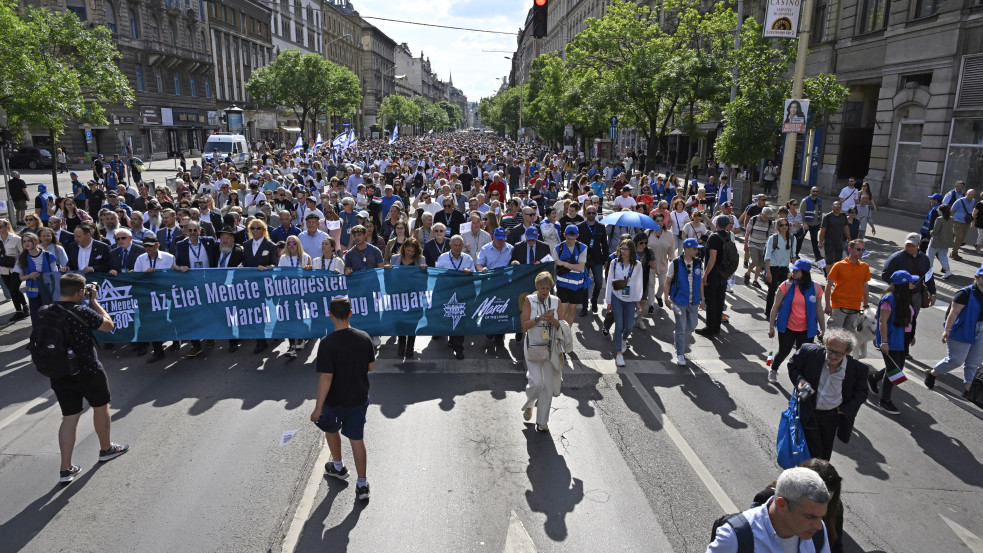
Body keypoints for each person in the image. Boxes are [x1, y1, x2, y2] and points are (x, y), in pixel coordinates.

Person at [42, 274, 128, 483]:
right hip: (88, 369)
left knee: (69, 417)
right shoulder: (81, 310)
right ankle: (106, 449)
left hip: (60, 372)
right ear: (81, 292)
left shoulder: (46, 312)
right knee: (101, 406)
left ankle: (66, 469)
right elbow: (109, 325)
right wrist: (95, 302)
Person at [312, 296, 373, 502]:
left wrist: (318, 408)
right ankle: (362, 484)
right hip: (358, 398)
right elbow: (370, 366)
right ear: (350, 313)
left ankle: (338, 466)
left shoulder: (327, 343)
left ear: (330, 315)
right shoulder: (364, 337)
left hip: (334, 400)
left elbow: (326, 377)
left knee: (331, 429)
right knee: (356, 438)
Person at [787, 328, 870, 461]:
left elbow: (862, 392)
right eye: (830, 350)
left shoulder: (857, 369)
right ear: (824, 345)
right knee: (812, 453)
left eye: (838, 354)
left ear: (848, 352)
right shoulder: (809, 353)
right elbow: (793, 366)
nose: (832, 356)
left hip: (831, 417)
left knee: (824, 454)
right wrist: (800, 380)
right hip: (807, 411)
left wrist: (846, 409)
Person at [707, 467, 831, 553]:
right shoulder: (733, 537)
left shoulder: (817, 533)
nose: (819, 526)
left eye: (821, 517)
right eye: (810, 517)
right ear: (782, 504)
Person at [751, 459, 845, 553]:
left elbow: (836, 546)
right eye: (810, 516)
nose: (819, 526)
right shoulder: (744, 534)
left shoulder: (833, 511)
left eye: (826, 500)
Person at [925, 267, 983, 399]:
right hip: (963, 328)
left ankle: (968, 390)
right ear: (977, 277)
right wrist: (947, 330)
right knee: (956, 360)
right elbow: (954, 312)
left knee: (974, 362)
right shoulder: (965, 293)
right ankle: (933, 373)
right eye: (982, 276)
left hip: (982, 329)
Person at [869, 270, 918, 415]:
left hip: (902, 338)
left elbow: (909, 319)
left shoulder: (904, 297)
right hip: (891, 339)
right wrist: (884, 342)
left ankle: (873, 378)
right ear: (903, 284)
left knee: (897, 367)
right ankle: (884, 401)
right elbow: (882, 321)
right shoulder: (888, 300)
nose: (913, 285)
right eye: (910, 282)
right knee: (894, 371)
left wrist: (911, 335)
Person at [769, 259, 826, 384]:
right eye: (793, 269)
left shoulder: (816, 287)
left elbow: (819, 309)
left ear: (805, 272)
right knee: (784, 351)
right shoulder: (786, 285)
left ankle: (800, 379)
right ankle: (773, 369)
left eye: (797, 270)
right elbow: (775, 306)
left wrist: (823, 329)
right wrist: (771, 326)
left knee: (803, 356)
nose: (793, 272)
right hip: (787, 326)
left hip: (807, 329)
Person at [520, 272, 564, 432]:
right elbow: (524, 325)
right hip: (533, 346)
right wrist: (538, 319)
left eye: (548, 287)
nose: (545, 291)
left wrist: (553, 320)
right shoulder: (529, 300)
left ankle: (542, 421)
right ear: (536, 287)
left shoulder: (556, 301)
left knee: (548, 386)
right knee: (536, 382)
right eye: (542, 288)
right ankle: (530, 404)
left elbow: (563, 326)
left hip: (551, 347)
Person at [881, 233, 936, 357]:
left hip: (916, 295)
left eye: (912, 245)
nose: (909, 248)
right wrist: (901, 285)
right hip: (899, 295)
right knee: (896, 320)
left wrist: (933, 292)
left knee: (910, 323)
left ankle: (904, 348)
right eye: (907, 245)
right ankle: (886, 342)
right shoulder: (896, 257)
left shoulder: (924, 259)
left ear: (919, 244)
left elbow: (928, 277)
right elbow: (885, 274)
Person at [665, 238, 704, 366]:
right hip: (679, 301)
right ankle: (680, 354)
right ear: (686, 249)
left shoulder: (698, 263)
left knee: (692, 326)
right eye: (694, 248)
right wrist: (667, 298)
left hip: (694, 302)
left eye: (697, 249)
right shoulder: (675, 263)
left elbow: (701, 283)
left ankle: (678, 335)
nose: (696, 251)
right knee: (681, 328)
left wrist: (702, 299)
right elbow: (668, 281)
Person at [242, 219, 279, 354]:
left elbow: (275, 264)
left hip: (265, 284)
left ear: (263, 230)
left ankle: (272, 334)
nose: (255, 231)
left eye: (258, 228)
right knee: (255, 313)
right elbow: (245, 262)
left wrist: (268, 267)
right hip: (250, 284)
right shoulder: (246, 244)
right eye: (253, 228)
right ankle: (260, 341)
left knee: (269, 311)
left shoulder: (270, 245)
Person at [436, 235, 476, 360]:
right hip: (447, 293)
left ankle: (459, 348)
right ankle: (451, 339)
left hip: (462, 293)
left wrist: (469, 272)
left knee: (460, 318)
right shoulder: (443, 258)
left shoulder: (468, 258)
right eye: (455, 245)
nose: (458, 248)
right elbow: (437, 274)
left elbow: (474, 273)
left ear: (463, 245)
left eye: (460, 245)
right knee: (449, 317)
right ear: (450, 245)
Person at [606, 238, 644, 368]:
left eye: (626, 249)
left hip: (631, 298)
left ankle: (623, 340)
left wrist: (638, 301)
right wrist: (608, 301)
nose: (623, 251)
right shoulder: (614, 263)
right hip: (617, 296)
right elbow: (610, 282)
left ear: (631, 250)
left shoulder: (637, 265)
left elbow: (639, 284)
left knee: (629, 326)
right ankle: (619, 353)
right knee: (619, 325)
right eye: (621, 248)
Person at [477, 227, 515, 350]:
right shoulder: (485, 248)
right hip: (489, 282)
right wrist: (482, 269)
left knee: (503, 309)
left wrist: (515, 263)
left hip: (505, 283)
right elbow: (478, 264)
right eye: (498, 239)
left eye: (503, 239)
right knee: (489, 308)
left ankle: (500, 336)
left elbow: (515, 261)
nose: (501, 242)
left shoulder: (510, 248)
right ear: (493, 237)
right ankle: (489, 330)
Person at [823, 239, 870, 332]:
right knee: (833, 336)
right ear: (850, 249)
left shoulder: (865, 267)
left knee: (848, 340)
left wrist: (865, 306)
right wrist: (827, 305)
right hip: (839, 307)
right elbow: (828, 287)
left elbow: (865, 288)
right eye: (858, 249)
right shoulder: (839, 265)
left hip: (855, 308)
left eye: (863, 250)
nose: (861, 252)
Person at [554, 225, 588, 328]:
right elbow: (554, 267)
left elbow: (581, 268)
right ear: (564, 235)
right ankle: (562, 334)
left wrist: (563, 263)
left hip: (576, 285)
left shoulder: (582, 248)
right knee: (562, 313)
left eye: (573, 239)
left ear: (577, 236)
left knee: (572, 312)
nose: (570, 241)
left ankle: (567, 334)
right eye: (568, 238)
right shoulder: (557, 248)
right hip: (562, 285)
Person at [578, 205, 609, 315]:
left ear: (596, 214)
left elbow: (605, 245)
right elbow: (576, 245)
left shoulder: (601, 227)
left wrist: (605, 259)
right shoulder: (580, 227)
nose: (591, 215)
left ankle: (594, 300)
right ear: (585, 213)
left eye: (593, 213)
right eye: (589, 212)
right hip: (583, 259)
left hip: (597, 259)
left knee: (599, 283)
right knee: (584, 284)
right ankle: (584, 307)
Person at [764, 217, 798, 316]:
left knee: (785, 292)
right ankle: (769, 312)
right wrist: (768, 272)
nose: (784, 227)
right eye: (782, 225)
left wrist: (795, 270)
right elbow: (767, 256)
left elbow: (793, 255)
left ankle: (782, 313)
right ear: (778, 227)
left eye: (786, 225)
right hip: (773, 267)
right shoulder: (773, 238)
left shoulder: (792, 238)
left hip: (784, 268)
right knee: (771, 291)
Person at [0, 219, 28, 322]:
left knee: (13, 289)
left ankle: (20, 310)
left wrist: (21, 266)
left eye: (0, 227)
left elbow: (23, 253)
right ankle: (23, 308)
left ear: (6, 227)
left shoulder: (15, 239)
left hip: (16, 268)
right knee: (12, 290)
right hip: (3, 269)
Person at [744, 206, 775, 289]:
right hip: (753, 243)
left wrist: (770, 247)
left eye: (768, 217)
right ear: (761, 214)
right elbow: (747, 233)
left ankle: (755, 280)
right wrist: (745, 244)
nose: (766, 219)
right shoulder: (753, 219)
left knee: (760, 264)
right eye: (765, 216)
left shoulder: (770, 223)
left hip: (763, 245)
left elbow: (770, 236)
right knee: (755, 260)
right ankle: (748, 274)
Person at [817, 201, 848, 272]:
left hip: (839, 242)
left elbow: (846, 227)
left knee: (837, 260)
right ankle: (829, 277)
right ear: (832, 207)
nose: (837, 208)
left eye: (839, 206)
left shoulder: (843, 216)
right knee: (829, 260)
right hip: (829, 242)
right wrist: (820, 242)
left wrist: (849, 238)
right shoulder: (827, 217)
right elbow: (823, 230)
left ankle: (834, 275)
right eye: (836, 206)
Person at [927, 204, 954, 279]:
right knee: (943, 256)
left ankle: (929, 271)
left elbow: (935, 231)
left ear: (941, 211)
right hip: (946, 242)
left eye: (938, 209)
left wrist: (930, 233)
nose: (937, 210)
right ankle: (947, 271)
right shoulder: (951, 219)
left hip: (936, 241)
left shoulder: (939, 219)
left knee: (930, 256)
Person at [950, 188, 976, 261]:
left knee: (962, 238)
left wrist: (972, 221)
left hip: (966, 222)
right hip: (957, 221)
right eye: (968, 194)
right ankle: (954, 253)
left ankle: (954, 252)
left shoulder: (973, 201)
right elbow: (952, 210)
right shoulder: (959, 201)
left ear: (974, 196)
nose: (970, 196)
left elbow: (970, 210)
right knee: (959, 236)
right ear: (966, 194)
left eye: (972, 195)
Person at [801, 187, 824, 262]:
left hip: (815, 224)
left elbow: (820, 212)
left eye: (817, 191)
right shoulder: (805, 200)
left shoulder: (819, 201)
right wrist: (804, 223)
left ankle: (817, 256)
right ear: (811, 191)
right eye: (814, 191)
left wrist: (820, 223)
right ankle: (795, 254)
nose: (815, 193)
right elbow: (801, 213)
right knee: (800, 239)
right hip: (807, 224)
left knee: (814, 241)